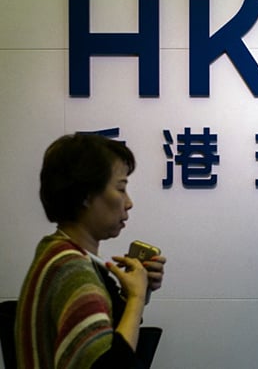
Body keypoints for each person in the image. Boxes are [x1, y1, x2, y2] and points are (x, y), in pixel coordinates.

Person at [16, 133, 167, 368]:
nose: (129, 203)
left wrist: (136, 292)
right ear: (85, 195)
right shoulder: (72, 270)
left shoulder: (56, 253)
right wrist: (136, 299)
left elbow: (105, 339)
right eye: (121, 188)